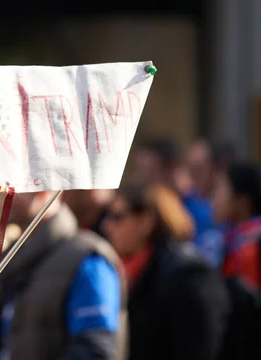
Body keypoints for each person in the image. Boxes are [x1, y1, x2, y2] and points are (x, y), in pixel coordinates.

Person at [0, 192, 127, 360]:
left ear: (44, 190)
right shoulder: (15, 260)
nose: (0, 192)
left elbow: (95, 350)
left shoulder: (86, 258)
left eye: (11, 184)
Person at [104, 185, 229, 360]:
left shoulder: (188, 275)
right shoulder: (122, 272)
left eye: (118, 217)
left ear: (145, 222)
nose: (107, 226)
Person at [135, 138, 220, 265]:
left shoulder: (203, 211)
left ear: (171, 167)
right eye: (140, 170)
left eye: (150, 171)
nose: (143, 179)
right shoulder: (149, 208)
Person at [212, 162, 261, 360]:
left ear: (242, 201)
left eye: (220, 190)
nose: (214, 199)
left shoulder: (249, 250)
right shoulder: (231, 241)